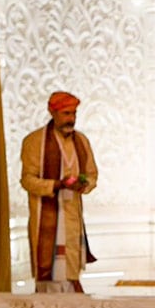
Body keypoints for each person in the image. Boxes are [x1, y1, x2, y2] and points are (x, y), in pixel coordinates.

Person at [20, 91, 98, 293]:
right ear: (52, 112)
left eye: (73, 114)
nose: (71, 119)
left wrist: (84, 184)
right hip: (47, 215)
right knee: (51, 273)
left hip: (72, 213)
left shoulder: (81, 141)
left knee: (70, 268)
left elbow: (92, 174)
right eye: (66, 113)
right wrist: (56, 185)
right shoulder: (34, 141)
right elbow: (27, 180)